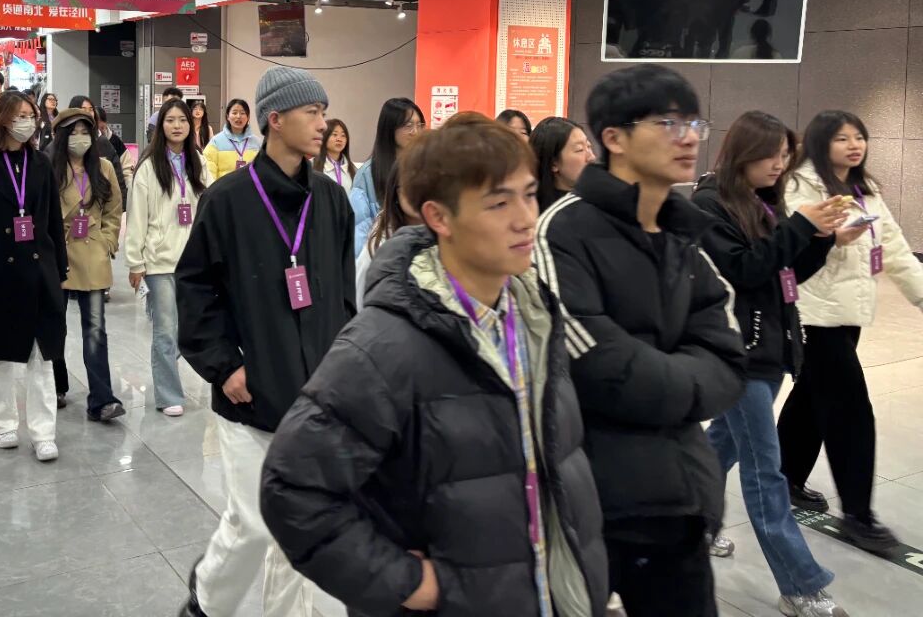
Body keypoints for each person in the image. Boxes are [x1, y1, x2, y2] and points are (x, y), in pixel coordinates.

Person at [261, 113, 609, 616]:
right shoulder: (383, 346)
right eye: (498, 202)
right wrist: (407, 583)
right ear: (438, 217)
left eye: (529, 194)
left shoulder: (538, 319)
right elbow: (292, 489)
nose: (524, 218)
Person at [536, 65, 745, 617]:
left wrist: (676, 383)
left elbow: (727, 358)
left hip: (682, 498)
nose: (690, 137)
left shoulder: (682, 232)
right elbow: (593, 361)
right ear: (614, 138)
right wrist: (690, 384)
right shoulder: (564, 229)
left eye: (694, 123)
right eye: (668, 123)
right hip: (594, 501)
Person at [176, 67, 354, 617]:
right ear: (275, 119)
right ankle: (208, 601)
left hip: (316, 394)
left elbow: (345, 296)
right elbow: (194, 289)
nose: (323, 124)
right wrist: (224, 366)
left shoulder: (332, 200)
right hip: (249, 392)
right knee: (253, 522)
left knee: (301, 526)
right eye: (312, 113)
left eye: (324, 113)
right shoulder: (227, 200)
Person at [691, 112, 850, 617]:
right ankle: (800, 585)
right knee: (766, 470)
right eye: (771, 155)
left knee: (721, 445)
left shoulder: (763, 200)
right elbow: (744, 269)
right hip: (737, 352)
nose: (780, 165)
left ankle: (692, 527)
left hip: (771, 347)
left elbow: (786, 272)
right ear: (743, 152)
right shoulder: (708, 204)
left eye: (785, 156)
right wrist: (802, 225)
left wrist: (821, 238)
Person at [778, 110, 923, 554]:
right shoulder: (801, 186)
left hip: (848, 313)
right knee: (850, 411)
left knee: (810, 399)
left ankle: (785, 478)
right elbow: (789, 249)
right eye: (842, 138)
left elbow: (893, 247)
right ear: (821, 143)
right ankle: (859, 516)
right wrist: (828, 237)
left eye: (859, 137)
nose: (854, 145)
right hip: (811, 315)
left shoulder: (865, 189)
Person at [0, 91, 69, 462]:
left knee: (42, 356)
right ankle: (4, 424)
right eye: (20, 115)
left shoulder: (41, 164)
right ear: (2, 119)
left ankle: (43, 432)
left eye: (31, 115)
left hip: (38, 270)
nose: (28, 122)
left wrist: (60, 268)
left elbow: (53, 221)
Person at [126, 98, 207, 417]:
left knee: (189, 329)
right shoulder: (149, 166)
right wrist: (136, 262)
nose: (177, 126)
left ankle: (164, 371)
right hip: (159, 261)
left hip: (193, 262)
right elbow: (137, 216)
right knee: (165, 330)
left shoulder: (198, 162)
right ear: (161, 126)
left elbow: (208, 208)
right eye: (170, 120)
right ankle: (168, 394)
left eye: (182, 120)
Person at [49, 107, 126, 421]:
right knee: (54, 326)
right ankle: (56, 386)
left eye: (85, 132)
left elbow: (114, 208)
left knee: (95, 329)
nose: (80, 139)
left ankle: (102, 400)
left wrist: (108, 240)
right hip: (58, 251)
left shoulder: (103, 166)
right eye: (73, 133)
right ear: (61, 136)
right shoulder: (49, 167)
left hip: (92, 250)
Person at [351, 97, 424, 256]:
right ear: (390, 129)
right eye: (408, 125)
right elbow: (359, 230)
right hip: (382, 255)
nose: (415, 131)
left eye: (419, 125)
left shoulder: (425, 167)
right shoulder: (368, 174)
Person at [353, 158, 420, 310]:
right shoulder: (380, 243)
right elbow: (359, 299)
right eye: (410, 187)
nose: (418, 195)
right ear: (396, 193)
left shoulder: (445, 237)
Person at [70, 95, 128, 211]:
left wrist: (122, 206)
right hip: (69, 211)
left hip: (98, 209)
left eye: (91, 109)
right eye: (83, 109)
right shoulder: (62, 142)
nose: (88, 113)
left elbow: (118, 179)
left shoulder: (103, 142)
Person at [530, 116, 596, 211]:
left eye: (589, 146)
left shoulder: (596, 199)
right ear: (554, 163)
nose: (592, 157)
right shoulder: (541, 212)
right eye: (580, 149)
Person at [203, 98, 261, 181]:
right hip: (224, 188)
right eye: (234, 113)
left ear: (248, 117)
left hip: (250, 188)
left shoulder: (257, 143)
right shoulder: (216, 142)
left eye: (242, 113)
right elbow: (209, 173)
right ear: (227, 116)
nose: (238, 116)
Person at [313, 118, 356, 195]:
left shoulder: (354, 169)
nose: (339, 139)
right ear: (325, 137)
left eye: (343, 135)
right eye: (334, 134)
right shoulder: (311, 165)